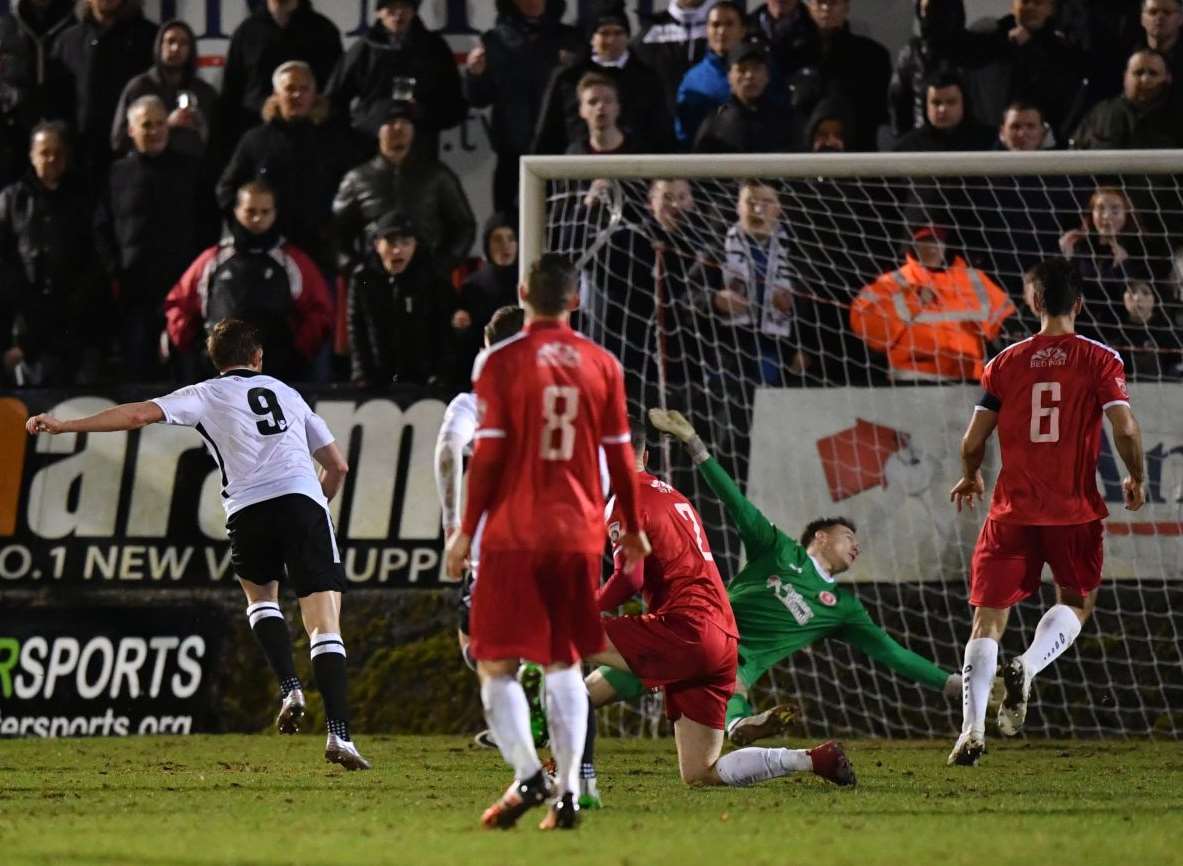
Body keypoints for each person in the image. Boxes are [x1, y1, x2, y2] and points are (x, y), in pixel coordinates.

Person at [25, 318, 371, 771]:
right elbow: (338, 467)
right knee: (324, 626)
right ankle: (340, 736)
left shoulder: (206, 393)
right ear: (258, 357)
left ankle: (289, 687)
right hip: (302, 502)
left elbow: (136, 415)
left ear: (217, 360)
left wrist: (66, 425)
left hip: (247, 510)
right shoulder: (288, 393)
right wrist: (313, 507)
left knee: (261, 599)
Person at [597, 408, 962, 751]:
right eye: (847, 536)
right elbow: (735, 502)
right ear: (821, 536)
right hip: (690, 630)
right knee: (587, 693)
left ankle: (741, 725)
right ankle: (738, 724)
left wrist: (953, 685)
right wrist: (695, 444)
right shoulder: (777, 550)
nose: (857, 545)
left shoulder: (844, 609)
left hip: (723, 659)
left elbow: (892, 653)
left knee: (723, 696)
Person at [443, 254, 650, 830]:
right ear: (576, 301)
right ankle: (568, 794)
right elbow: (621, 455)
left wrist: (464, 529)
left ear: (523, 291)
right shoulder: (602, 363)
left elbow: (487, 456)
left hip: (513, 532)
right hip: (579, 535)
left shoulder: (500, 360)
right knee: (564, 663)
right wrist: (630, 529)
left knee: (496, 664)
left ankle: (529, 773)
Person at [584, 413, 857, 795]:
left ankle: (560, 770)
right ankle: (812, 759)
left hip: (685, 629)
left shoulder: (625, 500)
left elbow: (630, 577)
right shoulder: (672, 495)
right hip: (723, 637)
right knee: (700, 770)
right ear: (645, 453)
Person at [947, 257, 1146, 766]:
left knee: (986, 622)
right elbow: (1124, 428)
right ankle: (1030, 666)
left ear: (1035, 302)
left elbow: (973, 440)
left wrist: (971, 474)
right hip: (1073, 511)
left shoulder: (1005, 361)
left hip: (1010, 511)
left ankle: (971, 733)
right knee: (1077, 602)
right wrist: (1137, 476)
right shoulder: (1101, 358)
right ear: (1078, 303)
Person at [164, 179, 332, 382]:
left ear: (275, 213)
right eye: (250, 210)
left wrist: (296, 353)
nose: (257, 218)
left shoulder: (292, 261)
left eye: (265, 211)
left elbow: (320, 311)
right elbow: (179, 304)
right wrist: (198, 351)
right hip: (215, 373)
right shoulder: (213, 259)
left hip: (277, 375)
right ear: (236, 210)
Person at [96, 95, 215, 378]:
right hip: (135, 291)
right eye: (146, 124)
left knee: (187, 375)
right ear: (130, 130)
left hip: (183, 292)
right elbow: (102, 227)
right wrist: (116, 271)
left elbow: (208, 222)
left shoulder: (191, 169)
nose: (155, 131)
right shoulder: (116, 174)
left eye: (161, 123)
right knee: (138, 370)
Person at [218, 60, 354, 275]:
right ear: (276, 94)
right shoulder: (255, 140)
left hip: (317, 254)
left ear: (314, 94)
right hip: (265, 255)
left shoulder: (331, 141)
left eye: (304, 89)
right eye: (290, 88)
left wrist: (333, 232)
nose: (297, 95)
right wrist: (246, 229)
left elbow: (349, 192)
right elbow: (226, 189)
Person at [0, 121, 99, 386]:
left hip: (72, 315)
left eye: (58, 153)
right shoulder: (11, 199)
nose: (52, 159)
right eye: (45, 152)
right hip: (25, 319)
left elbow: (91, 254)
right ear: (32, 155)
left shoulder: (81, 198)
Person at [850, 225, 1015, 382]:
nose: (931, 248)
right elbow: (867, 331)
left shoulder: (975, 280)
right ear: (913, 246)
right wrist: (913, 300)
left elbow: (1006, 322)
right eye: (925, 242)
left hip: (966, 381)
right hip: (913, 381)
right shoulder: (891, 283)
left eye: (937, 242)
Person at [332, 98, 475, 278]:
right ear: (378, 130)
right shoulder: (357, 179)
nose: (399, 128)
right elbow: (335, 234)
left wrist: (442, 265)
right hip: (376, 280)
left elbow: (464, 226)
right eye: (391, 122)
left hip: (427, 279)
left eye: (405, 122)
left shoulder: (437, 174)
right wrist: (354, 268)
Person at [464, 0, 582, 212]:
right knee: (509, 226)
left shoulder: (570, 39)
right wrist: (475, 75)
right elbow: (479, 98)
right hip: (512, 152)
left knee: (559, 227)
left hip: (559, 151)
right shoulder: (495, 40)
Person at [325, 0, 464, 158]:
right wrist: (367, 122)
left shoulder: (434, 48)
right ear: (378, 12)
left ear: (413, 11)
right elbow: (333, 100)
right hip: (369, 149)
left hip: (419, 150)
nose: (398, 13)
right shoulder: (364, 49)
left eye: (405, 5)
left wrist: (423, 112)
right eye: (390, 7)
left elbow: (455, 104)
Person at [532, 1, 671, 155]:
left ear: (627, 37)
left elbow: (661, 134)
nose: (611, 40)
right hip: (579, 168)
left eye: (618, 33)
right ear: (592, 38)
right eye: (604, 33)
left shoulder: (647, 79)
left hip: (634, 169)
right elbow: (549, 133)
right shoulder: (568, 78)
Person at [714, 180, 810, 387]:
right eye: (751, 202)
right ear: (738, 207)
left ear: (779, 208)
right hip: (728, 351)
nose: (758, 209)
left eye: (766, 202)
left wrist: (805, 348)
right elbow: (689, 296)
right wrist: (715, 301)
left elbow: (815, 308)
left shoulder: (799, 251)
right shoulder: (716, 248)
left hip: (780, 353)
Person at [49, 0, 157, 179]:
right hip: (79, 165)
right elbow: (55, 105)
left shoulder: (149, 38)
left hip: (134, 163)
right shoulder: (67, 41)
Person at [219, 0, 342, 151]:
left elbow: (335, 94)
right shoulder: (246, 32)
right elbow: (230, 95)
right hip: (255, 141)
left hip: (312, 144)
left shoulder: (324, 31)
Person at [347, 211, 451, 388]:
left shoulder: (431, 278)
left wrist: (441, 374)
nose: (397, 250)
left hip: (422, 380)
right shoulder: (363, 278)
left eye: (405, 243)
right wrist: (361, 373)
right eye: (391, 242)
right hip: (376, 380)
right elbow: (356, 328)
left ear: (415, 245)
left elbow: (442, 328)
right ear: (377, 244)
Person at [779, 0, 892, 153]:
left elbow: (877, 111)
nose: (826, 9)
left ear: (846, 7)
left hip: (857, 155)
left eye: (833, 3)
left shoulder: (871, 55)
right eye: (820, 2)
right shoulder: (789, 53)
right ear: (810, 6)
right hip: (801, 158)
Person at [110, 20, 219, 160]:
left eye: (183, 43)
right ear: (159, 46)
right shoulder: (139, 87)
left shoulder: (204, 92)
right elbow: (118, 141)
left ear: (191, 49)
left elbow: (220, 143)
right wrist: (165, 124)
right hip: (147, 171)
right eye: (170, 41)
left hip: (193, 174)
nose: (175, 48)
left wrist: (202, 127)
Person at [0, 0, 74, 188]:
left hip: (63, 133)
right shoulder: (6, 28)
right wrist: (14, 102)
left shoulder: (73, 25)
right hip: (14, 132)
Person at [1058, 186, 1154, 331]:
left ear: (1126, 213)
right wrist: (1066, 258)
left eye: (1115, 209)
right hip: (1083, 330)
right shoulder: (1080, 247)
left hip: (1123, 332)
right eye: (1100, 209)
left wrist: (1124, 266)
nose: (1106, 216)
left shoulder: (1141, 248)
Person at [693, 41, 797, 153]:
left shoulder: (785, 120)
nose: (749, 76)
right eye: (742, 70)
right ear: (729, 77)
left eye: (756, 69)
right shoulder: (715, 125)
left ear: (767, 75)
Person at [1072, 48, 1183, 149]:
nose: (1144, 79)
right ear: (1125, 76)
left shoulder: (1177, 116)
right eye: (1138, 73)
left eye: (1153, 73)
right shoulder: (1101, 114)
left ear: (1168, 78)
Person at [453, 214, 520, 379]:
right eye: (498, 239)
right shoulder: (473, 286)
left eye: (511, 239)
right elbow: (465, 343)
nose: (505, 246)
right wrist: (461, 327)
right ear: (487, 244)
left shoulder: (530, 281)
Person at [891, 0, 968, 137]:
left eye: (938, 8)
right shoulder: (913, 52)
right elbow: (899, 104)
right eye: (925, 9)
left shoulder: (973, 50)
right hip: (922, 141)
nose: (931, 15)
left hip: (970, 141)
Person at [674, 1, 745, 147]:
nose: (721, 31)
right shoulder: (693, 80)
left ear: (743, 30)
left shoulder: (763, 71)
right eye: (715, 25)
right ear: (706, 30)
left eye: (729, 24)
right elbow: (683, 134)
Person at [893, 70, 996, 152]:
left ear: (964, 104)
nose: (942, 109)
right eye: (936, 103)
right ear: (926, 106)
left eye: (951, 102)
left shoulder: (990, 142)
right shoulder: (908, 148)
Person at [1107, 280, 1183, 380]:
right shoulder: (1114, 331)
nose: (1137, 298)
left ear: (1154, 298)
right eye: (1132, 292)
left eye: (1145, 293)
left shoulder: (1169, 331)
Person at [566, 72, 636, 155]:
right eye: (592, 102)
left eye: (608, 100)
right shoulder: (574, 155)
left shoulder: (640, 151)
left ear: (618, 108)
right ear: (581, 110)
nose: (600, 106)